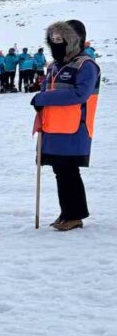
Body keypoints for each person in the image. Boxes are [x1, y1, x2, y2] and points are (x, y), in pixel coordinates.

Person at [32, 19, 100, 231]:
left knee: (69, 171)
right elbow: (44, 90)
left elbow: (80, 94)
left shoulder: (86, 65)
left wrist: (44, 99)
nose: (57, 45)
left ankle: (75, 215)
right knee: (60, 171)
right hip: (53, 129)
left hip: (74, 128)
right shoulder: (53, 66)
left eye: (62, 40)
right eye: (54, 41)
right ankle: (66, 212)